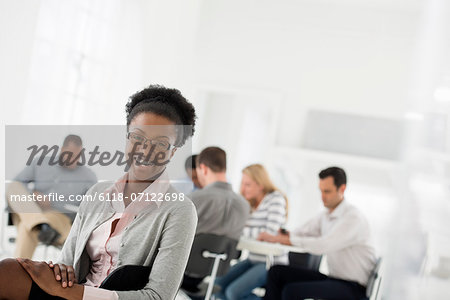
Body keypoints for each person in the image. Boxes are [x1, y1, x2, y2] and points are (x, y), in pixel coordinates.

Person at [0, 84, 198, 300]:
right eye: (137, 138)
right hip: (71, 291)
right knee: (8, 271)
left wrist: (77, 293)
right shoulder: (97, 192)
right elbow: (67, 265)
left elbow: (158, 296)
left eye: (160, 144)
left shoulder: (180, 210)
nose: (145, 150)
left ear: (173, 152)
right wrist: (59, 274)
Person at [259, 167, 377, 300]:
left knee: (291, 291)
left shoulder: (353, 218)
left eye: (327, 191)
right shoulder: (326, 215)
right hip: (334, 279)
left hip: (353, 288)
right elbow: (302, 232)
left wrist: (283, 239)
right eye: (320, 191)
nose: (322, 197)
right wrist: (283, 236)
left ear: (342, 189)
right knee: (277, 272)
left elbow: (324, 245)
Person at [6, 134, 97, 259]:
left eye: (77, 156)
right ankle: (40, 224)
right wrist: (33, 195)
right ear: (62, 150)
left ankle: (40, 226)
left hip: (58, 218)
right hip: (32, 210)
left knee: (26, 227)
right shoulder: (41, 162)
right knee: (13, 187)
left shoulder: (88, 177)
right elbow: (17, 183)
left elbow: (93, 207)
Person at [181, 147, 250, 293]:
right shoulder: (244, 205)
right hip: (214, 271)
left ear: (203, 169)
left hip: (182, 270)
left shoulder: (194, 199)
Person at [215, 164, 288, 300]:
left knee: (234, 293)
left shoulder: (276, 199)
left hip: (271, 263)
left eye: (247, 184)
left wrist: (242, 229)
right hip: (252, 259)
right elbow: (234, 226)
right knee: (216, 286)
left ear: (260, 184)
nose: (242, 188)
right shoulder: (250, 204)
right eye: (242, 183)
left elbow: (269, 232)